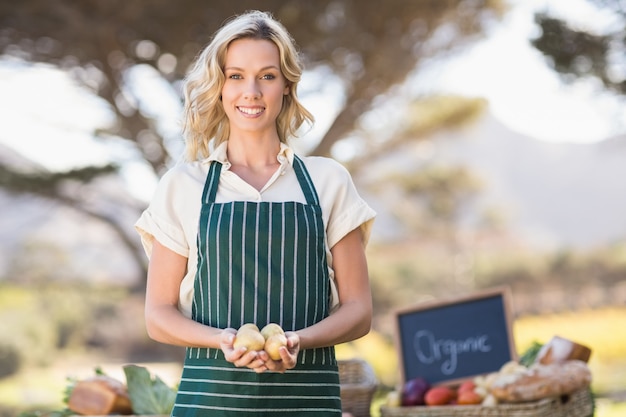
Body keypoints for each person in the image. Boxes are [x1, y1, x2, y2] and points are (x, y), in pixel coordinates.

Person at [135, 9, 376, 416]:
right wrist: (222, 340)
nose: (251, 91)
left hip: (308, 404)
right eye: (236, 76)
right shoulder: (183, 186)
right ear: (220, 86)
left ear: (286, 86)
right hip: (210, 403)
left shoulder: (328, 181)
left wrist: (297, 341)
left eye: (267, 75)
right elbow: (158, 316)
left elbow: (359, 312)